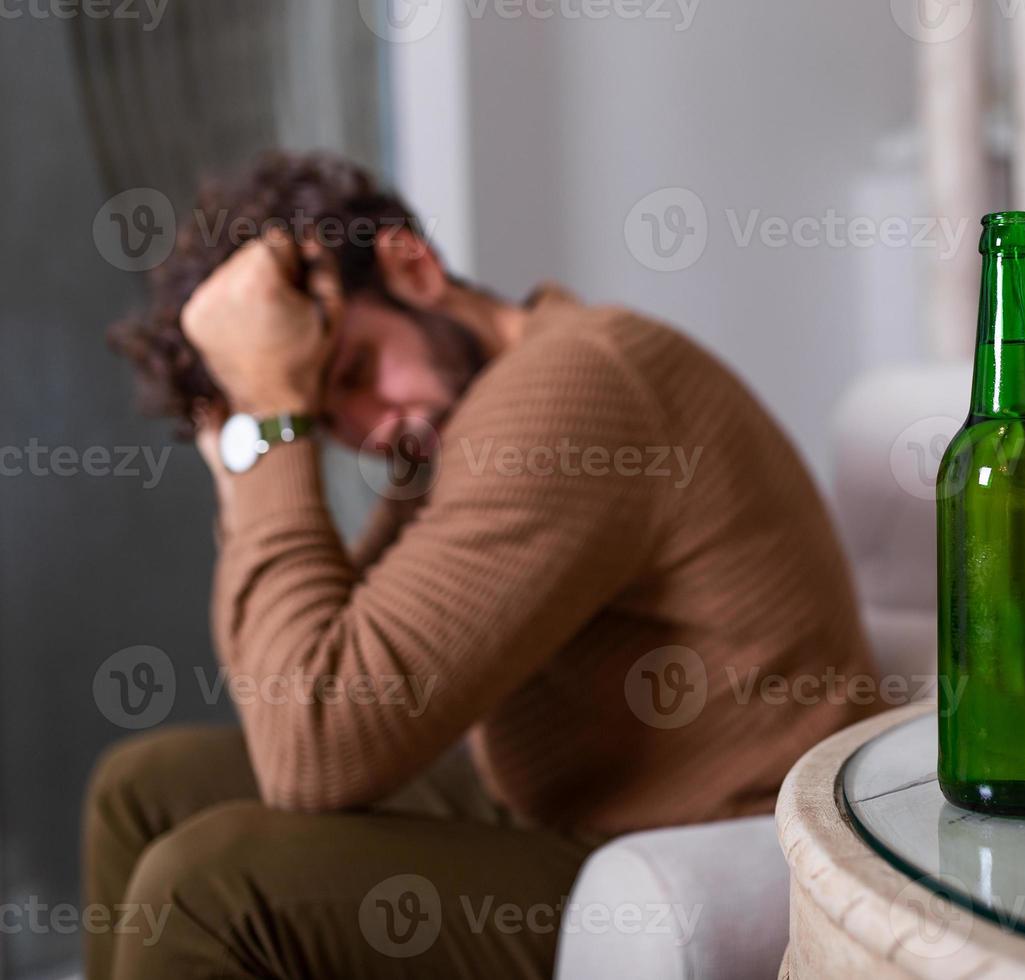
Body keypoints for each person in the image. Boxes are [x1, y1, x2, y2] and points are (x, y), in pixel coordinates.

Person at [87, 152, 879, 979]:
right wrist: (252, 448)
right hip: (557, 807)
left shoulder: (573, 385)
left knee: (207, 890)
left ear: (413, 266)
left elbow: (312, 746)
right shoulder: (470, 418)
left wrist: (275, 429)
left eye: (355, 370)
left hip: (685, 856)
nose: (369, 427)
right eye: (326, 415)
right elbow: (303, 673)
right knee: (142, 788)